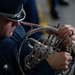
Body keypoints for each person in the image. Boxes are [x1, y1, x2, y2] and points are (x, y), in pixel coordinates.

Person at [0, 0, 73, 75]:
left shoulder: (15, 30)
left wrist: (65, 47)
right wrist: (48, 67)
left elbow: (31, 58)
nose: (18, 23)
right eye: (9, 20)